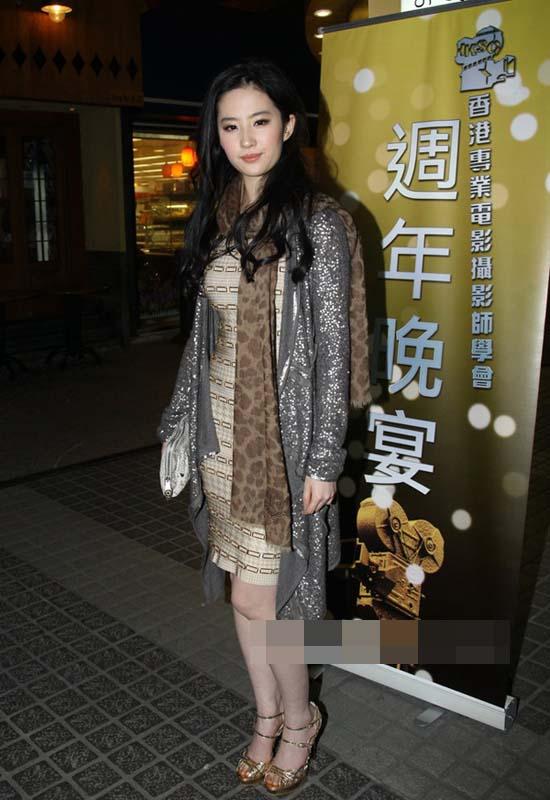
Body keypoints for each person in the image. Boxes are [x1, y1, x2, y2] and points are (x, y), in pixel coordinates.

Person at [158, 60, 369, 796]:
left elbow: (334, 353)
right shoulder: (218, 217)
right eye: (230, 125)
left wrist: (323, 458)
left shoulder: (319, 222)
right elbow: (204, 338)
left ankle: (299, 720)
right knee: (244, 597)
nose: (246, 139)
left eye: (259, 121)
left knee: (267, 600)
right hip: (224, 440)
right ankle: (267, 716)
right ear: (215, 136)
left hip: (280, 446)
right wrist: (181, 420)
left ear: (288, 126)